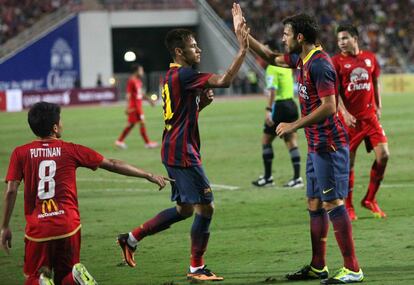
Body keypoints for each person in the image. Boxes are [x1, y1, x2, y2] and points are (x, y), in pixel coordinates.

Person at [232, 4, 363, 284]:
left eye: (286, 34)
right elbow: (268, 56)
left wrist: (294, 124)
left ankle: (353, 268)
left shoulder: (320, 64)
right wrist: (243, 35)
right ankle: (318, 266)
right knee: (314, 202)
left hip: (329, 144)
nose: (283, 38)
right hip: (315, 145)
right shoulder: (301, 60)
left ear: (300, 37)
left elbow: (329, 106)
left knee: (332, 202)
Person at [116, 25, 249, 282]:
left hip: (173, 147)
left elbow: (181, 114)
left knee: (185, 209)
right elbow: (225, 81)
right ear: (179, 51)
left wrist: (202, 104)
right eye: (193, 46)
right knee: (206, 207)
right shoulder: (186, 75)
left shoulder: (170, 75)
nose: (198, 49)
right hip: (182, 151)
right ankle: (196, 268)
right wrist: (242, 49)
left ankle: (131, 238)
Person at [1, 102, 171, 285]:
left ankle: (42, 282)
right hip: (68, 225)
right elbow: (112, 163)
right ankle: (75, 279)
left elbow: (11, 190)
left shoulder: (20, 153)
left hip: (38, 229)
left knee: (33, 277)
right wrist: (148, 174)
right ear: (55, 127)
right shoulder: (71, 150)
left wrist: (5, 226)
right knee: (65, 274)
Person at [331, 25, 389, 221]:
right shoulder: (336, 62)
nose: (341, 42)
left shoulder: (370, 58)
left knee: (384, 156)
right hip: (350, 121)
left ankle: (370, 199)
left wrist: (379, 105)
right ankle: (348, 206)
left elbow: (375, 82)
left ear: (355, 38)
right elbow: (334, 93)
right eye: (339, 39)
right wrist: (344, 113)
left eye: (345, 38)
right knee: (349, 163)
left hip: (370, 117)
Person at [252, 41, 303, 188]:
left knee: (266, 140)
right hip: (292, 106)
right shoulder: (286, 67)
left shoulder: (272, 68)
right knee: (291, 141)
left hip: (280, 107)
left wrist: (268, 109)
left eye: (266, 50)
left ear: (273, 51)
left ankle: (268, 177)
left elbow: (273, 90)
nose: (264, 53)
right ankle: (297, 178)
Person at [115, 64, 158, 149]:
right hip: (134, 107)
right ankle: (148, 143)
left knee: (131, 125)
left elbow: (140, 94)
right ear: (136, 71)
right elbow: (128, 95)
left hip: (138, 106)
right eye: (141, 70)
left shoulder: (138, 81)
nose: (142, 72)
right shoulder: (131, 81)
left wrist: (149, 100)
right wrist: (127, 107)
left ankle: (119, 141)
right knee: (142, 123)